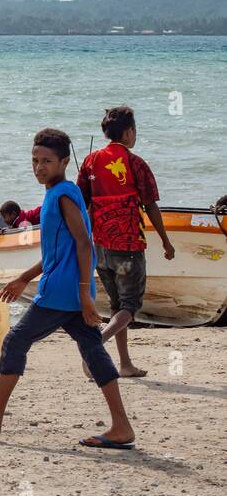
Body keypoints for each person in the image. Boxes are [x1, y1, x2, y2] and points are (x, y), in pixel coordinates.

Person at [0, 128, 134, 449]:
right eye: (34, 160)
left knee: (15, 342)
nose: (39, 167)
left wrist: (86, 295)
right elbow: (56, 252)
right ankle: (121, 427)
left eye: (47, 161)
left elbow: (84, 245)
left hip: (60, 293)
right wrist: (23, 277)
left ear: (63, 162)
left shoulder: (62, 195)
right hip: (69, 292)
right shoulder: (55, 194)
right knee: (93, 350)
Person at [78, 105, 175, 379]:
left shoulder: (90, 161)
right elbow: (151, 206)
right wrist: (166, 242)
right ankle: (96, 347)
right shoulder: (135, 163)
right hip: (128, 248)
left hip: (100, 247)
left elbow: (80, 203)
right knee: (130, 307)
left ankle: (125, 364)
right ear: (129, 131)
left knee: (117, 306)